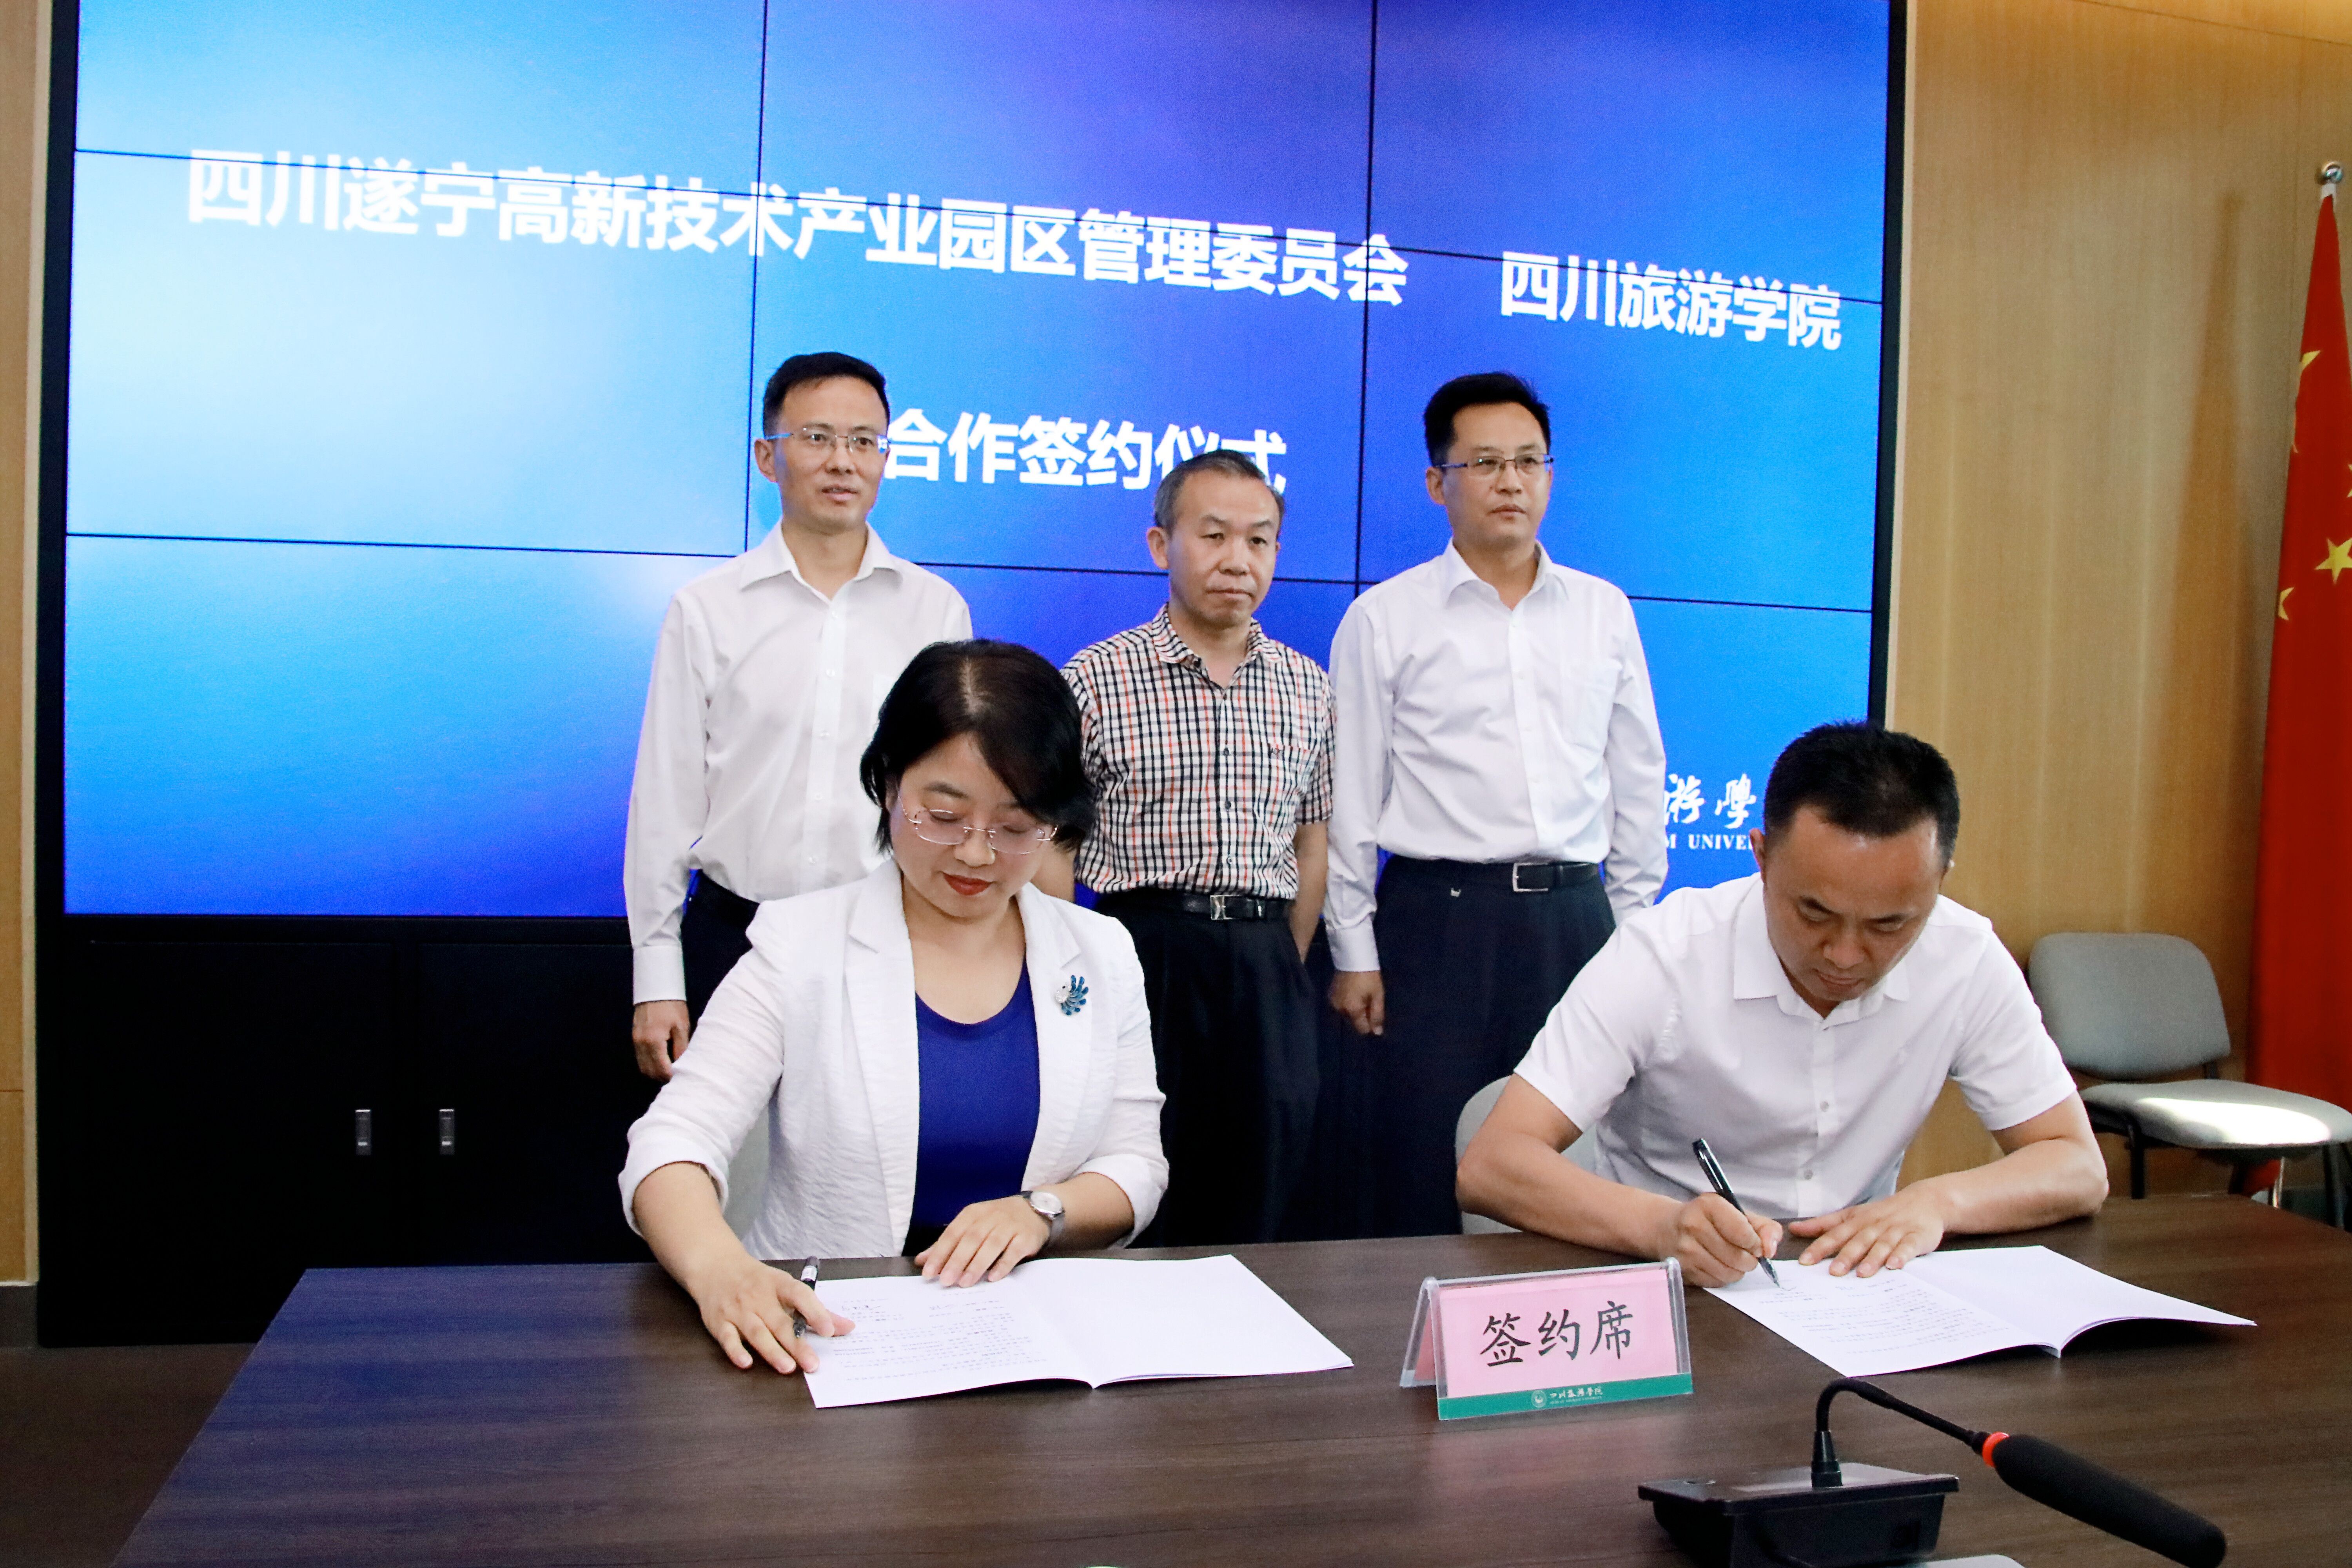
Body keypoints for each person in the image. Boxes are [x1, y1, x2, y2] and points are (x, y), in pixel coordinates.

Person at [619, 641, 1167, 1374]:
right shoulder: (800, 943)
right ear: (887, 788)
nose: (975, 854)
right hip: (835, 1340)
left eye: (1014, 828)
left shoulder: (1100, 952)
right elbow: (671, 1146)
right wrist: (721, 1269)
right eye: (943, 816)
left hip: (1032, 1347)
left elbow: (1136, 1165)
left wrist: (1042, 1212)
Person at [1457, 723, 2109, 1286]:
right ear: (1763, 858)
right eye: (1815, 913)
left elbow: (2076, 1164)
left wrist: (1937, 1203)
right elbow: (1494, 1165)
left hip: (1856, 1288)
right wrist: (1663, 1227)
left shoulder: (1965, 956)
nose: (1846, 956)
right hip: (1672, 1289)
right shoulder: (1664, 956)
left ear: (1939, 882)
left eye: (1889, 925)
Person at [1325, 371, 1668, 1235]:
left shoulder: (1603, 611)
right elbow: (1352, 798)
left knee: (1577, 1155)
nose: (1510, 481)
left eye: (1528, 461)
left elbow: (1638, 780)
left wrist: (1630, 931)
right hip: (1438, 923)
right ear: (1437, 482)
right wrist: (1355, 949)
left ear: (1550, 475)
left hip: (1574, 920)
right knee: (1425, 1153)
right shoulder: (1384, 617)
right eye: (1484, 463)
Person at [624, 352, 971, 1081]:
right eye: (817, 438)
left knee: (876, 1145)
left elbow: (951, 799)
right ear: (767, 457)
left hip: (885, 936)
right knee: (727, 1148)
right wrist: (658, 976)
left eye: (864, 441)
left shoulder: (935, 611)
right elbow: (665, 802)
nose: (843, 461)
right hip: (735, 934)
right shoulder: (707, 609)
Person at [1038, 450, 1334, 1245]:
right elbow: (1054, 845)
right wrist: (1070, 968)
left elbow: (1313, 839)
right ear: (1161, 544)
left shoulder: (1308, 686)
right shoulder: (1095, 679)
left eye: (1259, 540)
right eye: (1214, 535)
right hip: (1143, 950)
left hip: (1266, 959)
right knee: (1135, 1173)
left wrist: (1283, 956)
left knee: (1263, 1176)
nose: (1238, 560)